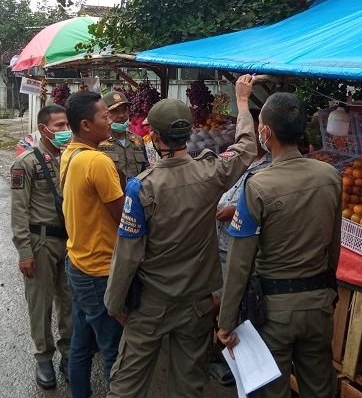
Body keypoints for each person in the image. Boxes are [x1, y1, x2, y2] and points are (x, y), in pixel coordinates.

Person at [104, 75, 258, 398]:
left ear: (155, 137)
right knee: (188, 385)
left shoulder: (142, 187)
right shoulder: (211, 172)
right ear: (188, 133)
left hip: (150, 306)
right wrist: (242, 102)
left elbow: (128, 254)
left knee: (127, 385)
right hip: (196, 304)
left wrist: (114, 303)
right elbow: (245, 148)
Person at [217, 92, 342, 398]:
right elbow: (334, 241)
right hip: (318, 304)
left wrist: (226, 321)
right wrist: (330, 289)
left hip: (274, 310)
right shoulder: (330, 175)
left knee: (273, 389)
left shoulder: (258, 185)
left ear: (266, 133)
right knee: (320, 386)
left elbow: (239, 259)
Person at [61, 91, 125, 398]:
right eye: (105, 116)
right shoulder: (98, 161)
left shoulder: (70, 152)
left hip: (77, 261)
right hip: (99, 269)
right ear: (86, 125)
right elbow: (124, 218)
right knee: (114, 349)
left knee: (81, 344)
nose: (110, 119)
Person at [10, 104, 73, 389]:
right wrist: (24, 252)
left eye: (66, 125)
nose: (64, 131)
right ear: (44, 127)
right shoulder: (25, 163)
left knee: (70, 301)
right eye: (59, 126)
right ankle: (43, 357)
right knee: (41, 303)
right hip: (41, 241)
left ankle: (70, 354)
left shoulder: (73, 157)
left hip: (70, 242)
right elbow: (19, 211)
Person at [209, 108, 270, 386]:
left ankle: (235, 361)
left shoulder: (269, 168)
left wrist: (236, 210)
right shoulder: (233, 161)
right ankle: (218, 356)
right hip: (220, 242)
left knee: (235, 304)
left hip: (243, 247)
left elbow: (264, 208)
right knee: (218, 302)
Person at [99, 91, 147, 189]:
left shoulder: (138, 141)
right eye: (115, 111)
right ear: (105, 114)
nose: (121, 115)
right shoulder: (98, 143)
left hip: (135, 197)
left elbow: (145, 169)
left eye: (124, 110)